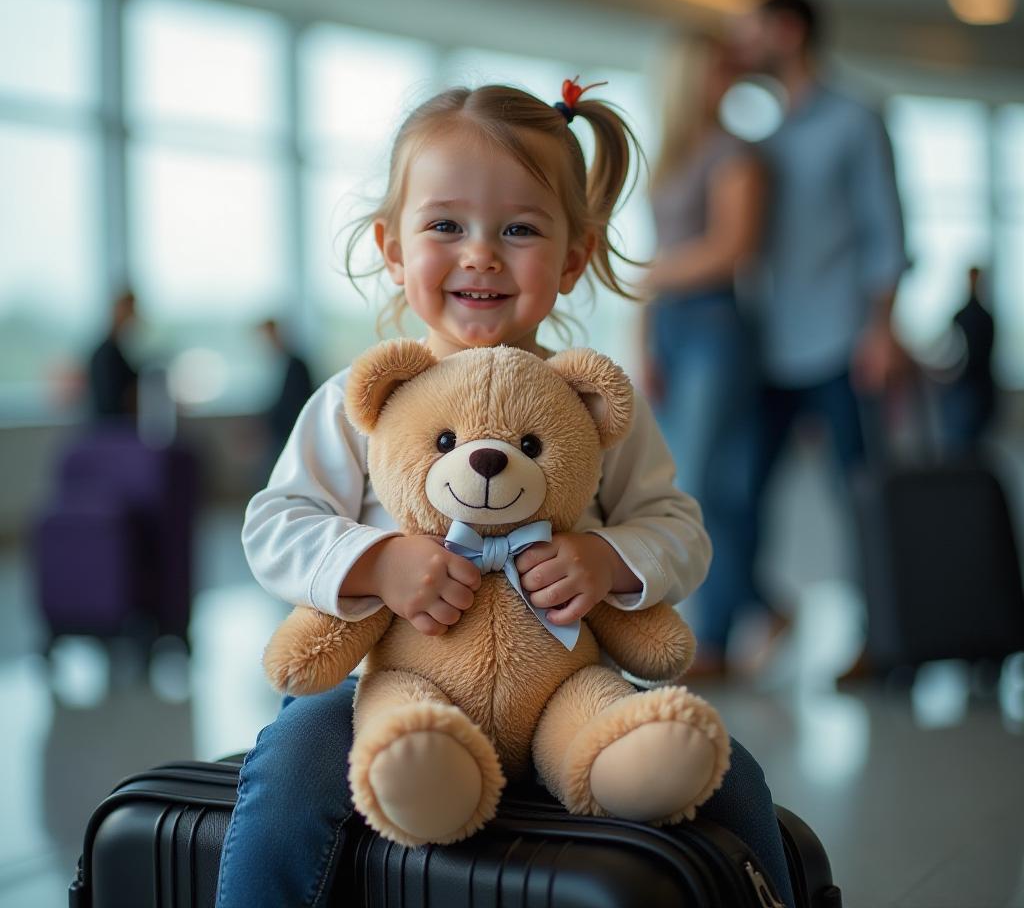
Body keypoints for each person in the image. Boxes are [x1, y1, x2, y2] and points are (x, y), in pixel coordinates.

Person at [215, 83, 796, 908]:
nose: (481, 253)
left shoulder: (593, 404)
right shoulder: (363, 398)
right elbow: (275, 523)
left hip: (562, 688)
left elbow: (678, 525)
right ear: (392, 246)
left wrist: (608, 559)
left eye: (519, 229)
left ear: (571, 257)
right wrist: (374, 563)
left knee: (728, 772)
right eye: (445, 225)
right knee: (295, 758)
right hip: (387, 687)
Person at [730, 0, 909, 671]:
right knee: (740, 489)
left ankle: (883, 637)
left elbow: (884, 229)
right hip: (771, 346)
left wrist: (881, 329)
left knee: (858, 495)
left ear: (788, 30)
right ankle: (763, 607)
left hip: (842, 339)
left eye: (749, 29)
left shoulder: (857, 117)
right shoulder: (767, 134)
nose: (740, 43)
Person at [641, 32, 770, 675]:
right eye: (719, 65)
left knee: (700, 482)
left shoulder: (735, 153)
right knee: (703, 482)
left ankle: (714, 635)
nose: (730, 77)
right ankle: (758, 606)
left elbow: (733, 247)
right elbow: (649, 262)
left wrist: (654, 274)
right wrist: (641, 343)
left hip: (716, 327)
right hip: (669, 327)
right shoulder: (671, 155)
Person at [938, 266, 997, 454]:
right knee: (962, 449)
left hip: (978, 388)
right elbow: (949, 355)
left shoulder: (984, 317)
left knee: (972, 447)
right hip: (964, 388)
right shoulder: (962, 317)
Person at [257, 318, 314, 470]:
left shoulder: (296, 364)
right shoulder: (277, 364)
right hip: (277, 432)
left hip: (290, 432)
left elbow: (297, 401)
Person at [86, 289, 139, 421]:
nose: (134, 317)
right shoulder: (107, 355)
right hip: (112, 429)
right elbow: (110, 401)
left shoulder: (115, 352)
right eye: (131, 311)